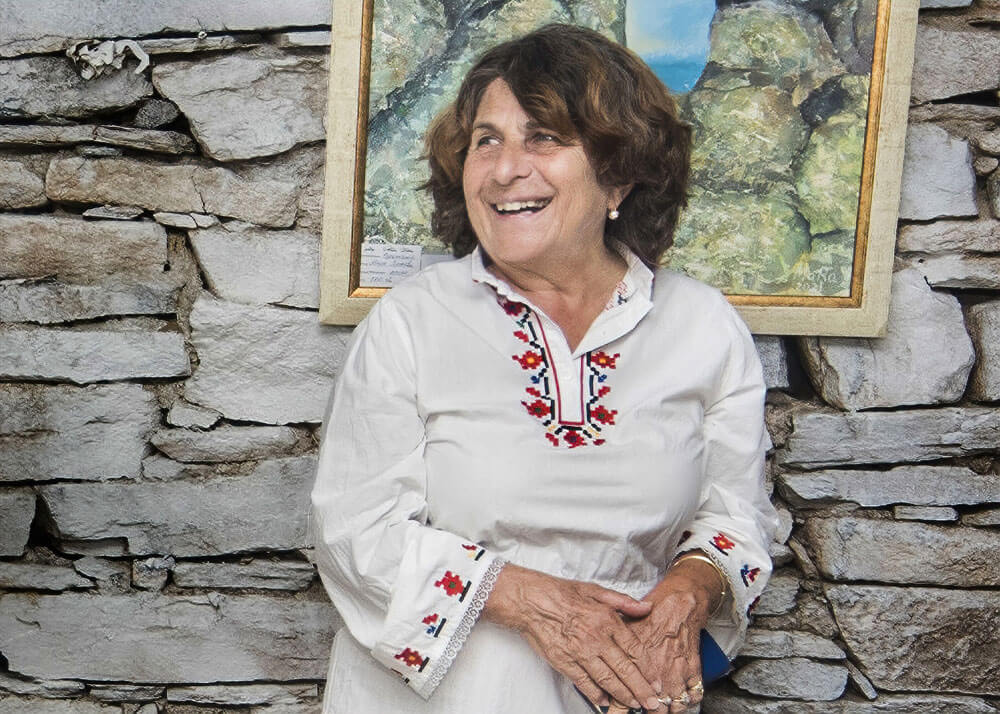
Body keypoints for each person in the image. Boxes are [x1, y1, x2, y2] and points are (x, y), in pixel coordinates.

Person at [310, 23, 778, 714]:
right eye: (486, 141)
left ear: (618, 173)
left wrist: (690, 591)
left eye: (544, 138)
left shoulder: (703, 325)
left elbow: (738, 515)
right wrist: (535, 604)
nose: (505, 170)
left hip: (627, 692)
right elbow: (355, 531)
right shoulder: (413, 321)